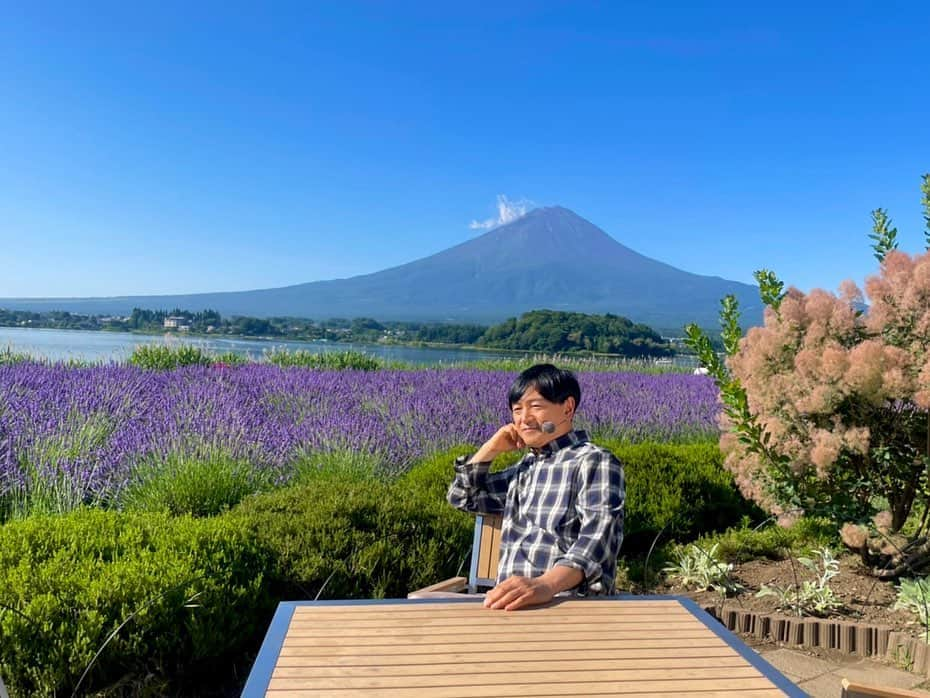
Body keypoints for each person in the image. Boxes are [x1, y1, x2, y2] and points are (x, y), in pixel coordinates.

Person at [447, 363, 625, 611]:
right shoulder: (526, 467)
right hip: (512, 605)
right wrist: (490, 449)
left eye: (536, 406)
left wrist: (545, 585)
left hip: (570, 606)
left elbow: (597, 541)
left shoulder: (594, 461)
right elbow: (463, 498)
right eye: (517, 410)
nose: (524, 419)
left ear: (568, 408)